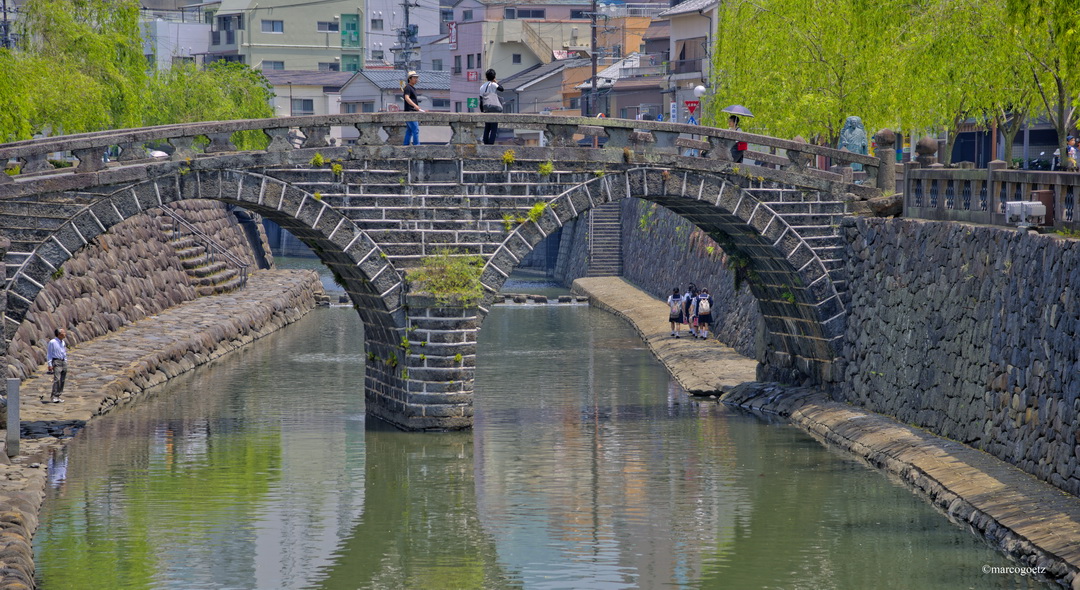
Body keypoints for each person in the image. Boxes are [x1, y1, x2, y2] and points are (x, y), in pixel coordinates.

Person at [479, 69, 504, 145]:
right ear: (494, 76)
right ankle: (491, 143)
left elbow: (481, 100)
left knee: (487, 127)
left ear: (486, 77)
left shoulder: (482, 87)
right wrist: (496, 82)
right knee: (494, 128)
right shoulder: (493, 84)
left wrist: (482, 110)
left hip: (486, 108)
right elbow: (502, 89)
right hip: (494, 108)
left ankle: (486, 142)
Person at [402, 71, 424, 145]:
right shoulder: (408, 87)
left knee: (409, 130)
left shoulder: (412, 88)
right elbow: (407, 98)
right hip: (410, 111)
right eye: (414, 78)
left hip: (411, 111)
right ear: (410, 79)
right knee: (415, 130)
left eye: (416, 78)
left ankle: (405, 145)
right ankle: (416, 146)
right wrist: (415, 106)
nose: (416, 79)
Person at [46, 327, 67, 403]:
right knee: (57, 379)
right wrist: (50, 364)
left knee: (62, 379)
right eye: (63, 332)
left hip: (63, 361)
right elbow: (49, 354)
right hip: (56, 361)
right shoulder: (52, 342)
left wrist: (65, 360)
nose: (65, 334)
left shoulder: (63, 342)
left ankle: (58, 395)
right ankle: (54, 396)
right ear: (59, 334)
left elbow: (63, 352)